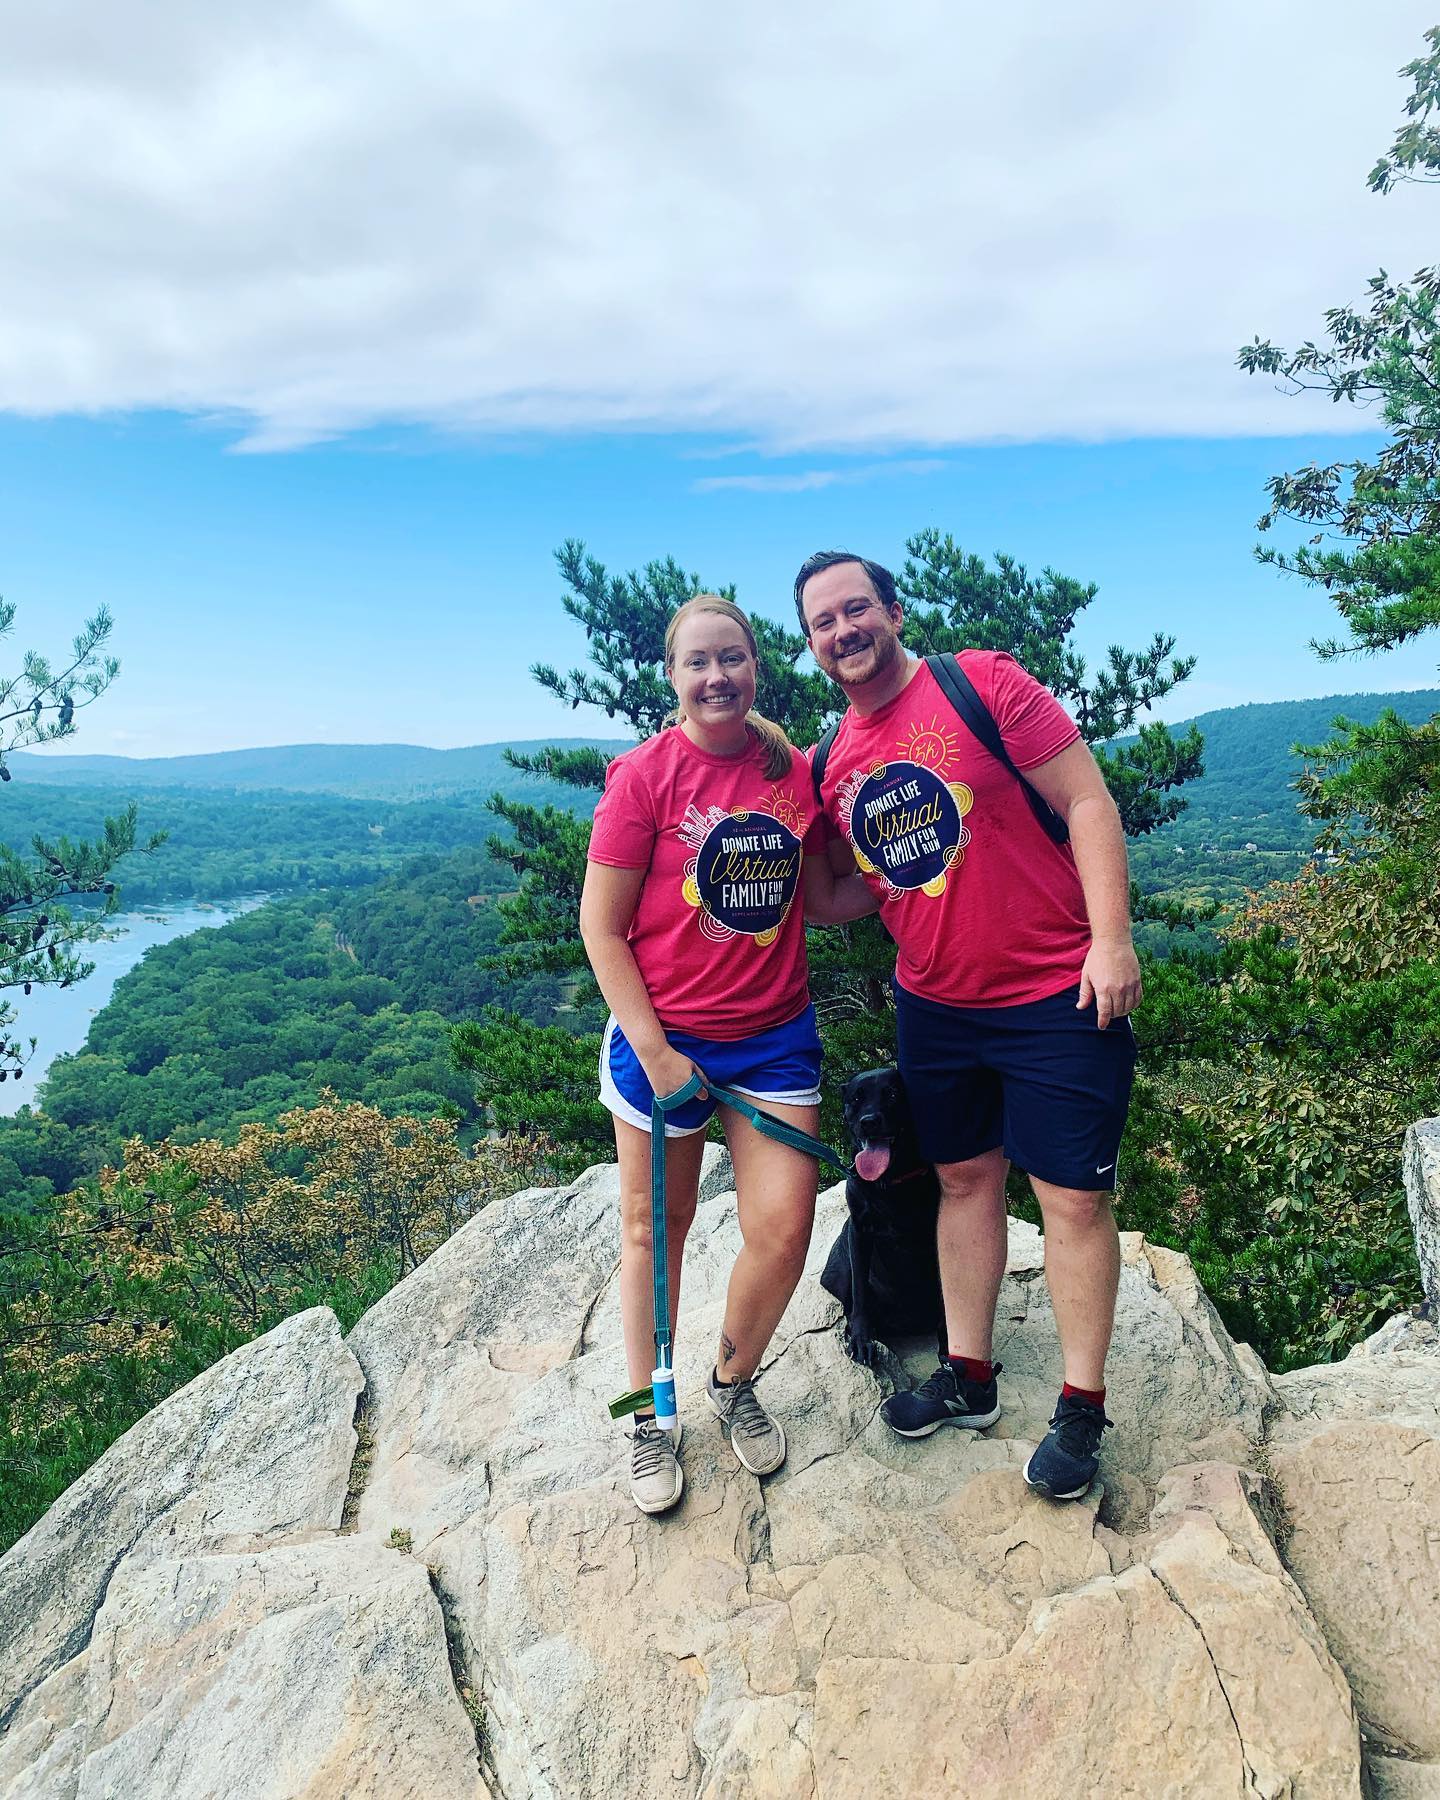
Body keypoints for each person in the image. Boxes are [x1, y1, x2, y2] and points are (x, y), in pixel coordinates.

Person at [795, 550, 1142, 1500]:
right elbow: (841, 890)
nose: (843, 631)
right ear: (814, 645)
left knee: (1070, 1199)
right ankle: (971, 1374)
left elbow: (1088, 801)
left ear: (893, 612)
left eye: (856, 609)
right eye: (823, 623)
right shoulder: (832, 762)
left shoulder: (981, 684)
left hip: (1055, 992)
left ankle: (1079, 1408)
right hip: (936, 1005)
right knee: (961, 1180)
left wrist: (1111, 939)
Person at [580, 594, 871, 1516]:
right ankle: (644, 1413)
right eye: (698, 663)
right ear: (671, 678)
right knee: (648, 1239)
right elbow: (601, 927)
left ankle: (731, 1382)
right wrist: (656, 1052)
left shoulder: (792, 773)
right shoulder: (643, 779)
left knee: (782, 1231)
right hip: (660, 1042)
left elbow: (822, 897)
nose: (717, 677)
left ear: (756, 667)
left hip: (772, 1035)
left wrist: (932, 861)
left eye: (733, 659)